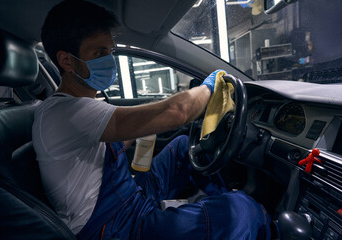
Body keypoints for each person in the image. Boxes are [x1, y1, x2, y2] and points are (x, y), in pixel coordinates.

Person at [32, 0, 271, 239]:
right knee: (242, 211)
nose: (109, 60)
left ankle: (216, 208)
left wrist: (146, 127)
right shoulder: (65, 113)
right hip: (111, 227)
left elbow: (107, 147)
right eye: (99, 53)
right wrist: (210, 86)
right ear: (67, 61)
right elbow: (179, 113)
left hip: (128, 198)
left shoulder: (79, 107)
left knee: (182, 149)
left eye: (110, 51)